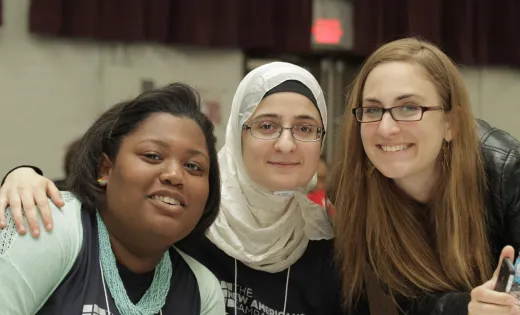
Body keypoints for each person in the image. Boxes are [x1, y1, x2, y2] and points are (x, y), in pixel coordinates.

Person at [0, 62, 355, 315]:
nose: (286, 144)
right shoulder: (186, 220)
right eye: (266, 125)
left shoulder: (332, 243)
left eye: (306, 129)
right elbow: (100, 199)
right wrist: (20, 176)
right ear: (236, 135)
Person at [328, 37, 520, 314]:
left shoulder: (507, 172)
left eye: (408, 108)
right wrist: (467, 307)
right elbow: (408, 298)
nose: (385, 128)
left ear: (451, 124)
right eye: (372, 109)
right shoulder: (354, 191)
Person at [0, 83, 225, 314]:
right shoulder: (47, 225)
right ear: (105, 169)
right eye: (153, 156)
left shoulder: (201, 290)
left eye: (193, 166)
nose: (175, 175)